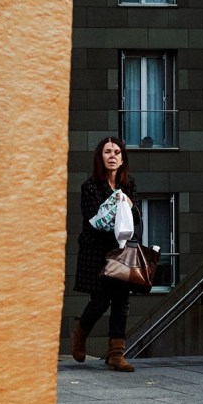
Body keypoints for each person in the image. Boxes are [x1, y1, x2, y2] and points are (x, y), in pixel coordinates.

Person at [69, 136, 141, 372]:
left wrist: (130, 205)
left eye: (117, 152)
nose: (113, 156)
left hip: (121, 252)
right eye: (108, 152)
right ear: (100, 157)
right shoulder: (90, 186)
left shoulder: (128, 185)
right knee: (99, 301)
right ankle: (80, 332)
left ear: (122, 159)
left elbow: (137, 219)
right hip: (96, 252)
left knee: (121, 303)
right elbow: (92, 222)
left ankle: (116, 356)